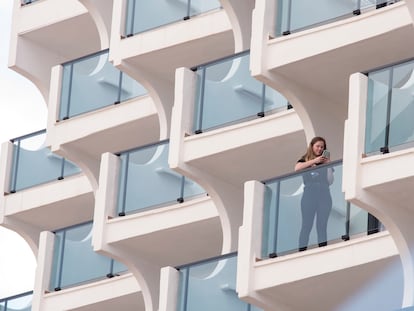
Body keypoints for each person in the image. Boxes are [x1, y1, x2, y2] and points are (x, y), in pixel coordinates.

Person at [295, 136, 334, 251]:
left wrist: (328, 165)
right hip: (309, 194)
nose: (320, 149)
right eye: (317, 146)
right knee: (307, 224)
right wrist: (314, 161)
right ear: (312, 146)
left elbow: (330, 181)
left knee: (321, 225)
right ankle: (302, 251)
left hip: (324, 194)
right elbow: (297, 168)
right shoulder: (305, 159)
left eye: (322, 147)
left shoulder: (325, 162)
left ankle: (323, 250)